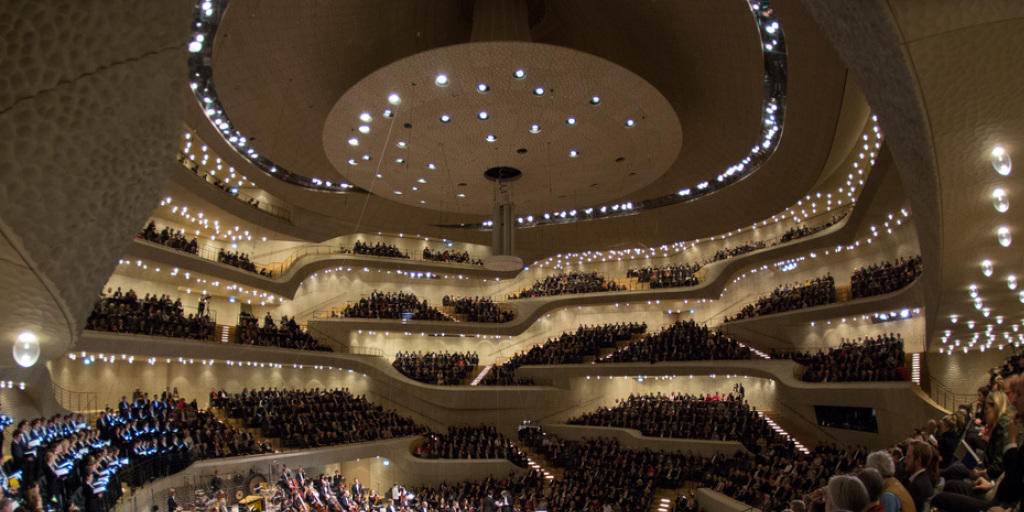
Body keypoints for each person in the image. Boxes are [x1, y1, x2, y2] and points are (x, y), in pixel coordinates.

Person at [901, 441, 935, 512]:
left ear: (918, 461)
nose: (905, 461)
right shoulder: (923, 479)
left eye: (908, 457)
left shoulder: (917, 486)